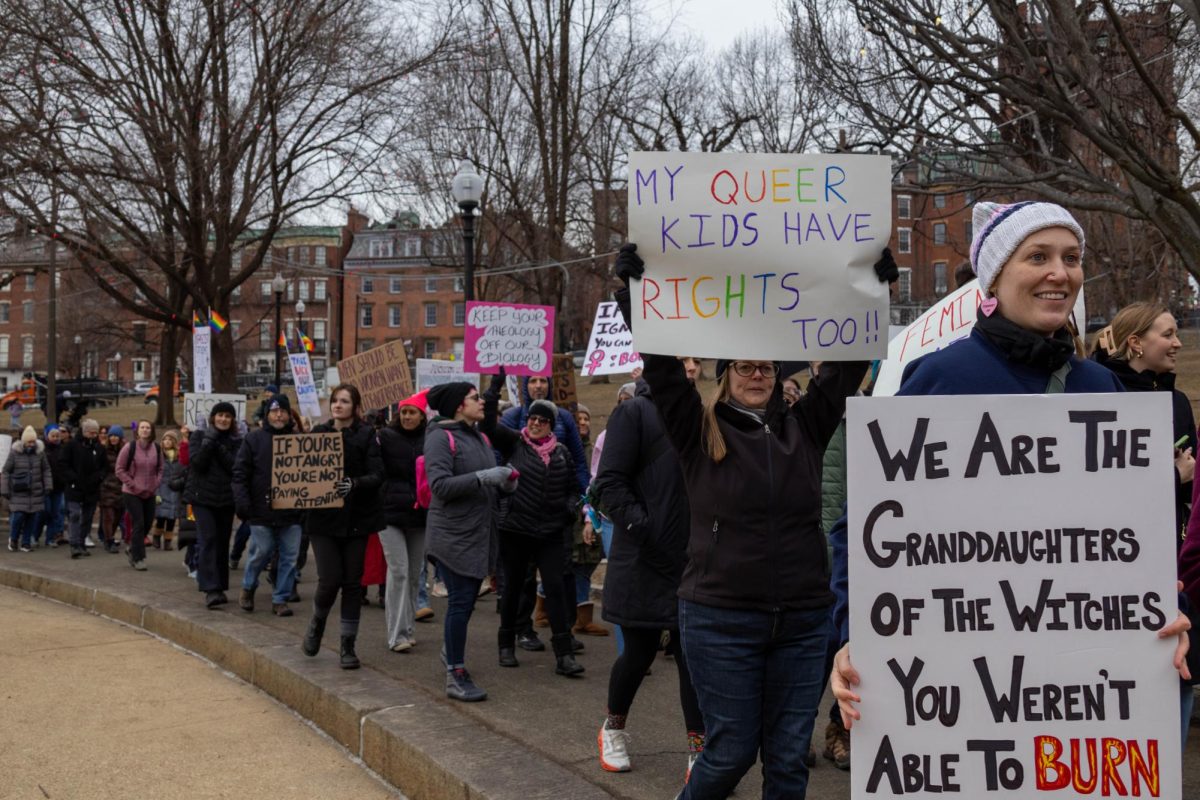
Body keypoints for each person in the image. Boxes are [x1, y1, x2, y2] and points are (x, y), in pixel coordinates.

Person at [831, 200, 1192, 742]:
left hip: (1084, 681)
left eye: (1071, 258)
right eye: (1038, 256)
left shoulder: (1102, 388)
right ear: (996, 276)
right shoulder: (941, 378)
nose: (1059, 272)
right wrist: (853, 634)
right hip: (963, 682)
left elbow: (1136, 534)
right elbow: (864, 526)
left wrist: (1172, 607)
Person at [613, 241, 893, 800]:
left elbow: (845, 370)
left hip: (803, 620)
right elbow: (665, 372)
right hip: (721, 618)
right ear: (727, 375)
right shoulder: (698, 434)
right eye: (744, 366)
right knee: (729, 752)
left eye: (765, 366)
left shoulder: (804, 429)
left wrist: (874, 292)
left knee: (788, 761)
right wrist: (635, 297)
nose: (756, 375)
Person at [591, 359, 706, 778]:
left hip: (692, 561)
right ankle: (613, 728)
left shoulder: (703, 415)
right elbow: (609, 485)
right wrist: (648, 527)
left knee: (693, 656)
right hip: (643, 558)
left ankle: (699, 749)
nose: (692, 367)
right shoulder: (633, 412)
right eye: (683, 359)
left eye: (696, 359)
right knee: (638, 654)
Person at [481, 373, 585, 678]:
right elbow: (487, 426)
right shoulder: (514, 443)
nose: (535, 423)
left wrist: (571, 509)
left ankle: (564, 655)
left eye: (542, 420)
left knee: (555, 588)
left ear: (551, 425)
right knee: (513, 587)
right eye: (532, 418)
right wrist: (493, 388)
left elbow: (574, 489)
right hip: (516, 529)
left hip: (551, 532)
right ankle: (506, 644)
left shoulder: (562, 453)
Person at [424, 381, 516, 701]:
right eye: (475, 398)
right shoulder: (440, 437)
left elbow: (486, 480)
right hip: (452, 535)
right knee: (461, 603)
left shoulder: (479, 436)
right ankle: (455, 674)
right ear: (458, 406)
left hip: (479, 532)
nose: (482, 403)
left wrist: (505, 483)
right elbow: (440, 486)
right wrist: (486, 478)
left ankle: (451, 653)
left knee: (464, 604)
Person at [501, 374, 590, 646]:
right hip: (522, 514)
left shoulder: (563, 417)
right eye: (531, 381)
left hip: (555, 514)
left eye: (542, 381)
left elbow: (577, 461)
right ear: (523, 386)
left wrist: (580, 503)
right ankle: (522, 629)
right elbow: (498, 460)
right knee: (524, 577)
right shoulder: (514, 417)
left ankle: (563, 631)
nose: (538, 386)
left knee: (561, 574)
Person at [300, 384, 385, 670]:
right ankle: (317, 623)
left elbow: (377, 474)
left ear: (355, 406)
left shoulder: (366, 435)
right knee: (329, 579)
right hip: (322, 520)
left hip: (356, 521)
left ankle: (348, 645)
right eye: (335, 400)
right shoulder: (318, 434)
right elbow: (301, 473)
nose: (337, 405)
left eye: (344, 401)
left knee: (352, 583)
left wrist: (355, 484)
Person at [1094, 303, 1195, 537]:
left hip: (1172, 539)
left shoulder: (1178, 401)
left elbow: (1191, 484)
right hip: (1120, 540)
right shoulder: (1105, 398)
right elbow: (1105, 488)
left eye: (1176, 334)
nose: (1177, 343)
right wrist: (1174, 475)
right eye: (1168, 335)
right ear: (1136, 343)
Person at [233, 395, 303, 617]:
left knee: (290, 558)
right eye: (274, 411)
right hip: (260, 510)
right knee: (260, 552)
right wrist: (243, 503)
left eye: (283, 411)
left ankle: (280, 599)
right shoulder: (253, 440)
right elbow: (240, 474)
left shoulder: (300, 441)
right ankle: (248, 587)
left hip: (292, 512)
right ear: (267, 415)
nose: (279, 415)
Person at [377, 390, 430, 652]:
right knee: (398, 572)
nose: (408, 417)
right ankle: (396, 635)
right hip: (390, 514)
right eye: (404, 412)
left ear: (422, 416)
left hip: (419, 515)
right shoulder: (385, 436)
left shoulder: (431, 438)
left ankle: (408, 629)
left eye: (413, 412)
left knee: (413, 575)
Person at [185, 402, 242, 608]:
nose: (223, 419)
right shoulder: (199, 437)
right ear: (213, 417)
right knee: (208, 539)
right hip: (203, 498)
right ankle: (210, 588)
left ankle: (220, 585)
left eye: (228, 416)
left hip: (226, 500)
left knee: (222, 542)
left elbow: (235, 466)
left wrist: (218, 446)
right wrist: (209, 442)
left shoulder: (237, 441)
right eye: (220, 415)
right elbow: (197, 463)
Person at [116, 420, 164, 571]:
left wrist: (156, 483)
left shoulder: (156, 448)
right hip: (131, 492)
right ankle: (139, 558)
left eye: (148, 428)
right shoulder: (129, 448)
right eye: (142, 427)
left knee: (148, 523)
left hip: (150, 491)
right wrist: (133, 485)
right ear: (137, 431)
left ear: (152, 431)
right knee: (139, 523)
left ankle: (132, 548)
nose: (145, 430)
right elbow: (119, 470)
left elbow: (161, 468)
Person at [61, 418, 107, 558]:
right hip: (75, 487)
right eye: (91, 433)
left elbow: (104, 467)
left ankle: (81, 542)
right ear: (84, 431)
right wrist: (72, 478)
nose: (93, 436)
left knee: (87, 517)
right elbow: (63, 464)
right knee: (75, 515)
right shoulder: (72, 446)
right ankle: (74, 544)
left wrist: (99, 477)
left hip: (92, 488)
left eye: (95, 433)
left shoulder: (99, 448)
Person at [3, 426, 52, 552]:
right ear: (24, 441)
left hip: (35, 491)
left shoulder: (40, 453)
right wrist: (4, 488)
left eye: (33, 441)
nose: (31, 444)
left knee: (32, 517)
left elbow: (46, 469)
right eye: (29, 441)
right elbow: (6, 471)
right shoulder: (14, 453)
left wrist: (48, 485)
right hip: (19, 490)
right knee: (18, 516)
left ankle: (26, 542)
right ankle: (13, 539)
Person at [153, 430, 184, 551]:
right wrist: (156, 493)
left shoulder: (180, 457)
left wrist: (179, 483)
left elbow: (184, 473)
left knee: (171, 518)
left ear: (174, 442)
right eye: (165, 439)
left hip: (175, 491)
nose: (167, 441)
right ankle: (156, 536)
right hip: (161, 489)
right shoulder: (158, 456)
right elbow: (154, 475)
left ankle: (167, 541)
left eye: (170, 439)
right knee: (161, 517)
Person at [98, 425, 127, 553]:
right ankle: (108, 540)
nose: (113, 438)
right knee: (108, 516)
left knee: (117, 516)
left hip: (121, 487)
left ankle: (110, 536)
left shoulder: (125, 451)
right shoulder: (103, 451)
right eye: (111, 436)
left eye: (116, 436)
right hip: (107, 487)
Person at [40, 425, 68, 547]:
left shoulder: (62, 450)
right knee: (45, 511)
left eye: (57, 436)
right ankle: (34, 535)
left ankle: (50, 538)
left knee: (56, 512)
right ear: (47, 436)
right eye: (53, 436)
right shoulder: (42, 450)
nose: (56, 438)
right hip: (45, 487)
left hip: (59, 486)